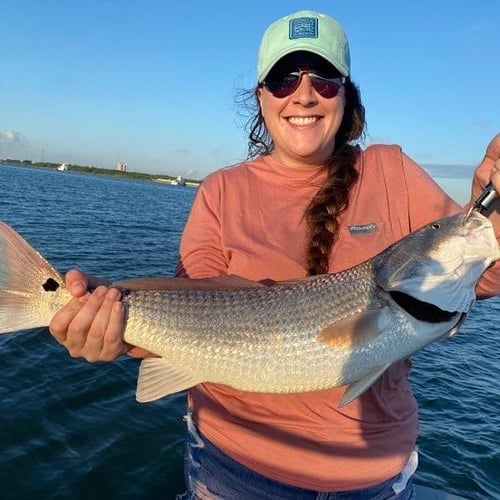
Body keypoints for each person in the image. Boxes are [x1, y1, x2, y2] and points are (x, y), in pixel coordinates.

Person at [49, 10, 500, 499]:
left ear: (347, 95)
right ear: (261, 96)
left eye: (325, 79)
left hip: (374, 475)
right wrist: (102, 319)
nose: (304, 94)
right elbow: (195, 306)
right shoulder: (222, 190)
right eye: (285, 79)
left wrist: (490, 209)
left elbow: (484, 273)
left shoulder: (390, 169)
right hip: (235, 469)